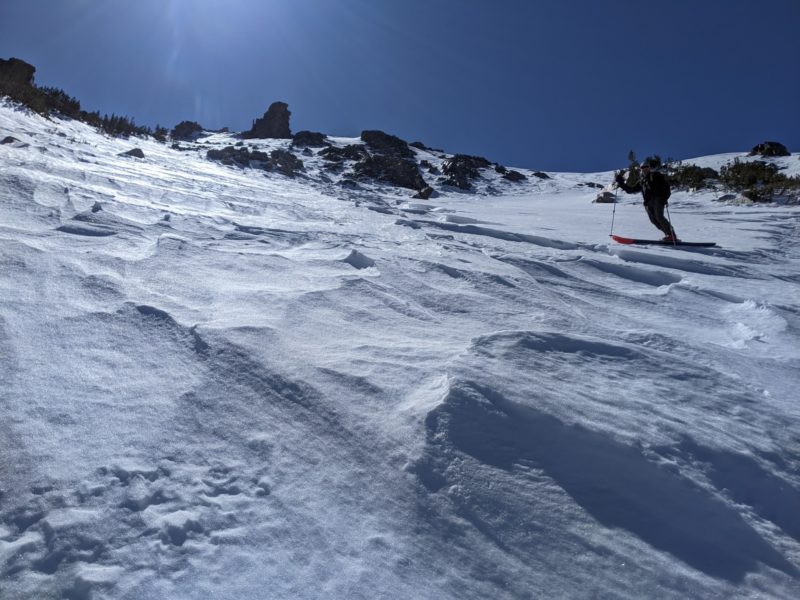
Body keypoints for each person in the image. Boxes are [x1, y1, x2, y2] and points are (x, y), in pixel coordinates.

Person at [615, 159, 677, 241]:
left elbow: (666, 187)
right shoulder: (642, 181)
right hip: (648, 203)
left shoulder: (655, 175)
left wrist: (664, 198)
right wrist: (621, 183)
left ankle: (671, 235)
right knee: (654, 220)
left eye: (646, 167)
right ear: (641, 169)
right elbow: (631, 190)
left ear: (649, 167)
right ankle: (668, 235)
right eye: (642, 167)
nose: (644, 169)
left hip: (657, 199)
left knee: (659, 217)